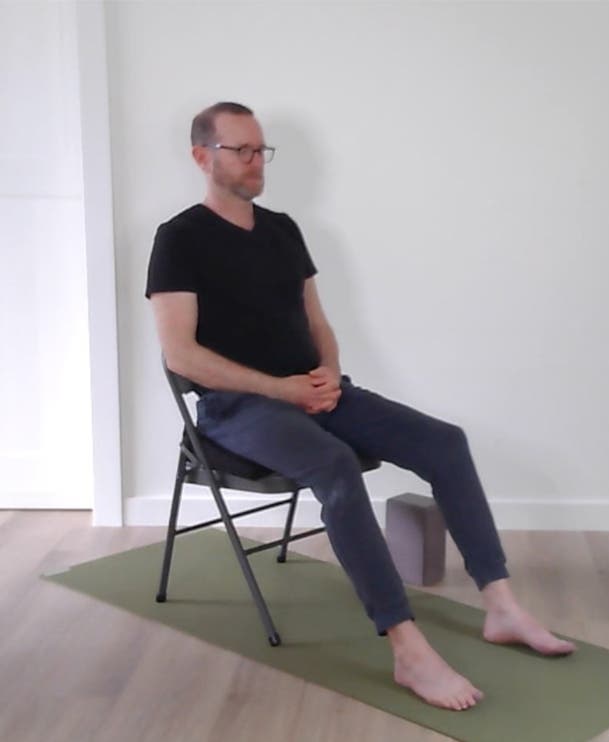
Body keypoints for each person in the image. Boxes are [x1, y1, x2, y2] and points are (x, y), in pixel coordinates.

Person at [145, 102, 575, 712]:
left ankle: (501, 606)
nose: (253, 161)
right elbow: (181, 355)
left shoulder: (283, 230)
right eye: (239, 150)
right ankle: (407, 648)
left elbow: (317, 320)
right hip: (238, 410)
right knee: (336, 466)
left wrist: (323, 373)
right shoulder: (179, 238)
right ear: (201, 157)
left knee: (444, 442)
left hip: (315, 391)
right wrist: (281, 390)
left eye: (259, 150)